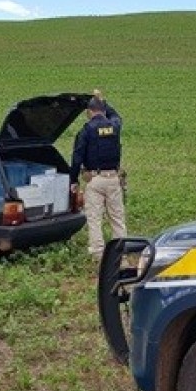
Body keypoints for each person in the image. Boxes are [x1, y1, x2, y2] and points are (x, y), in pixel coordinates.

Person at [70, 89, 127, 262]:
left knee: (94, 218)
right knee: (117, 217)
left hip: (95, 180)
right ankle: (121, 253)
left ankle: (98, 255)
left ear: (89, 112)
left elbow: (77, 157)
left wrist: (73, 180)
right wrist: (102, 100)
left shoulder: (86, 130)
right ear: (103, 110)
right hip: (114, 179)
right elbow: (116, 115)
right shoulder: (115, 126)